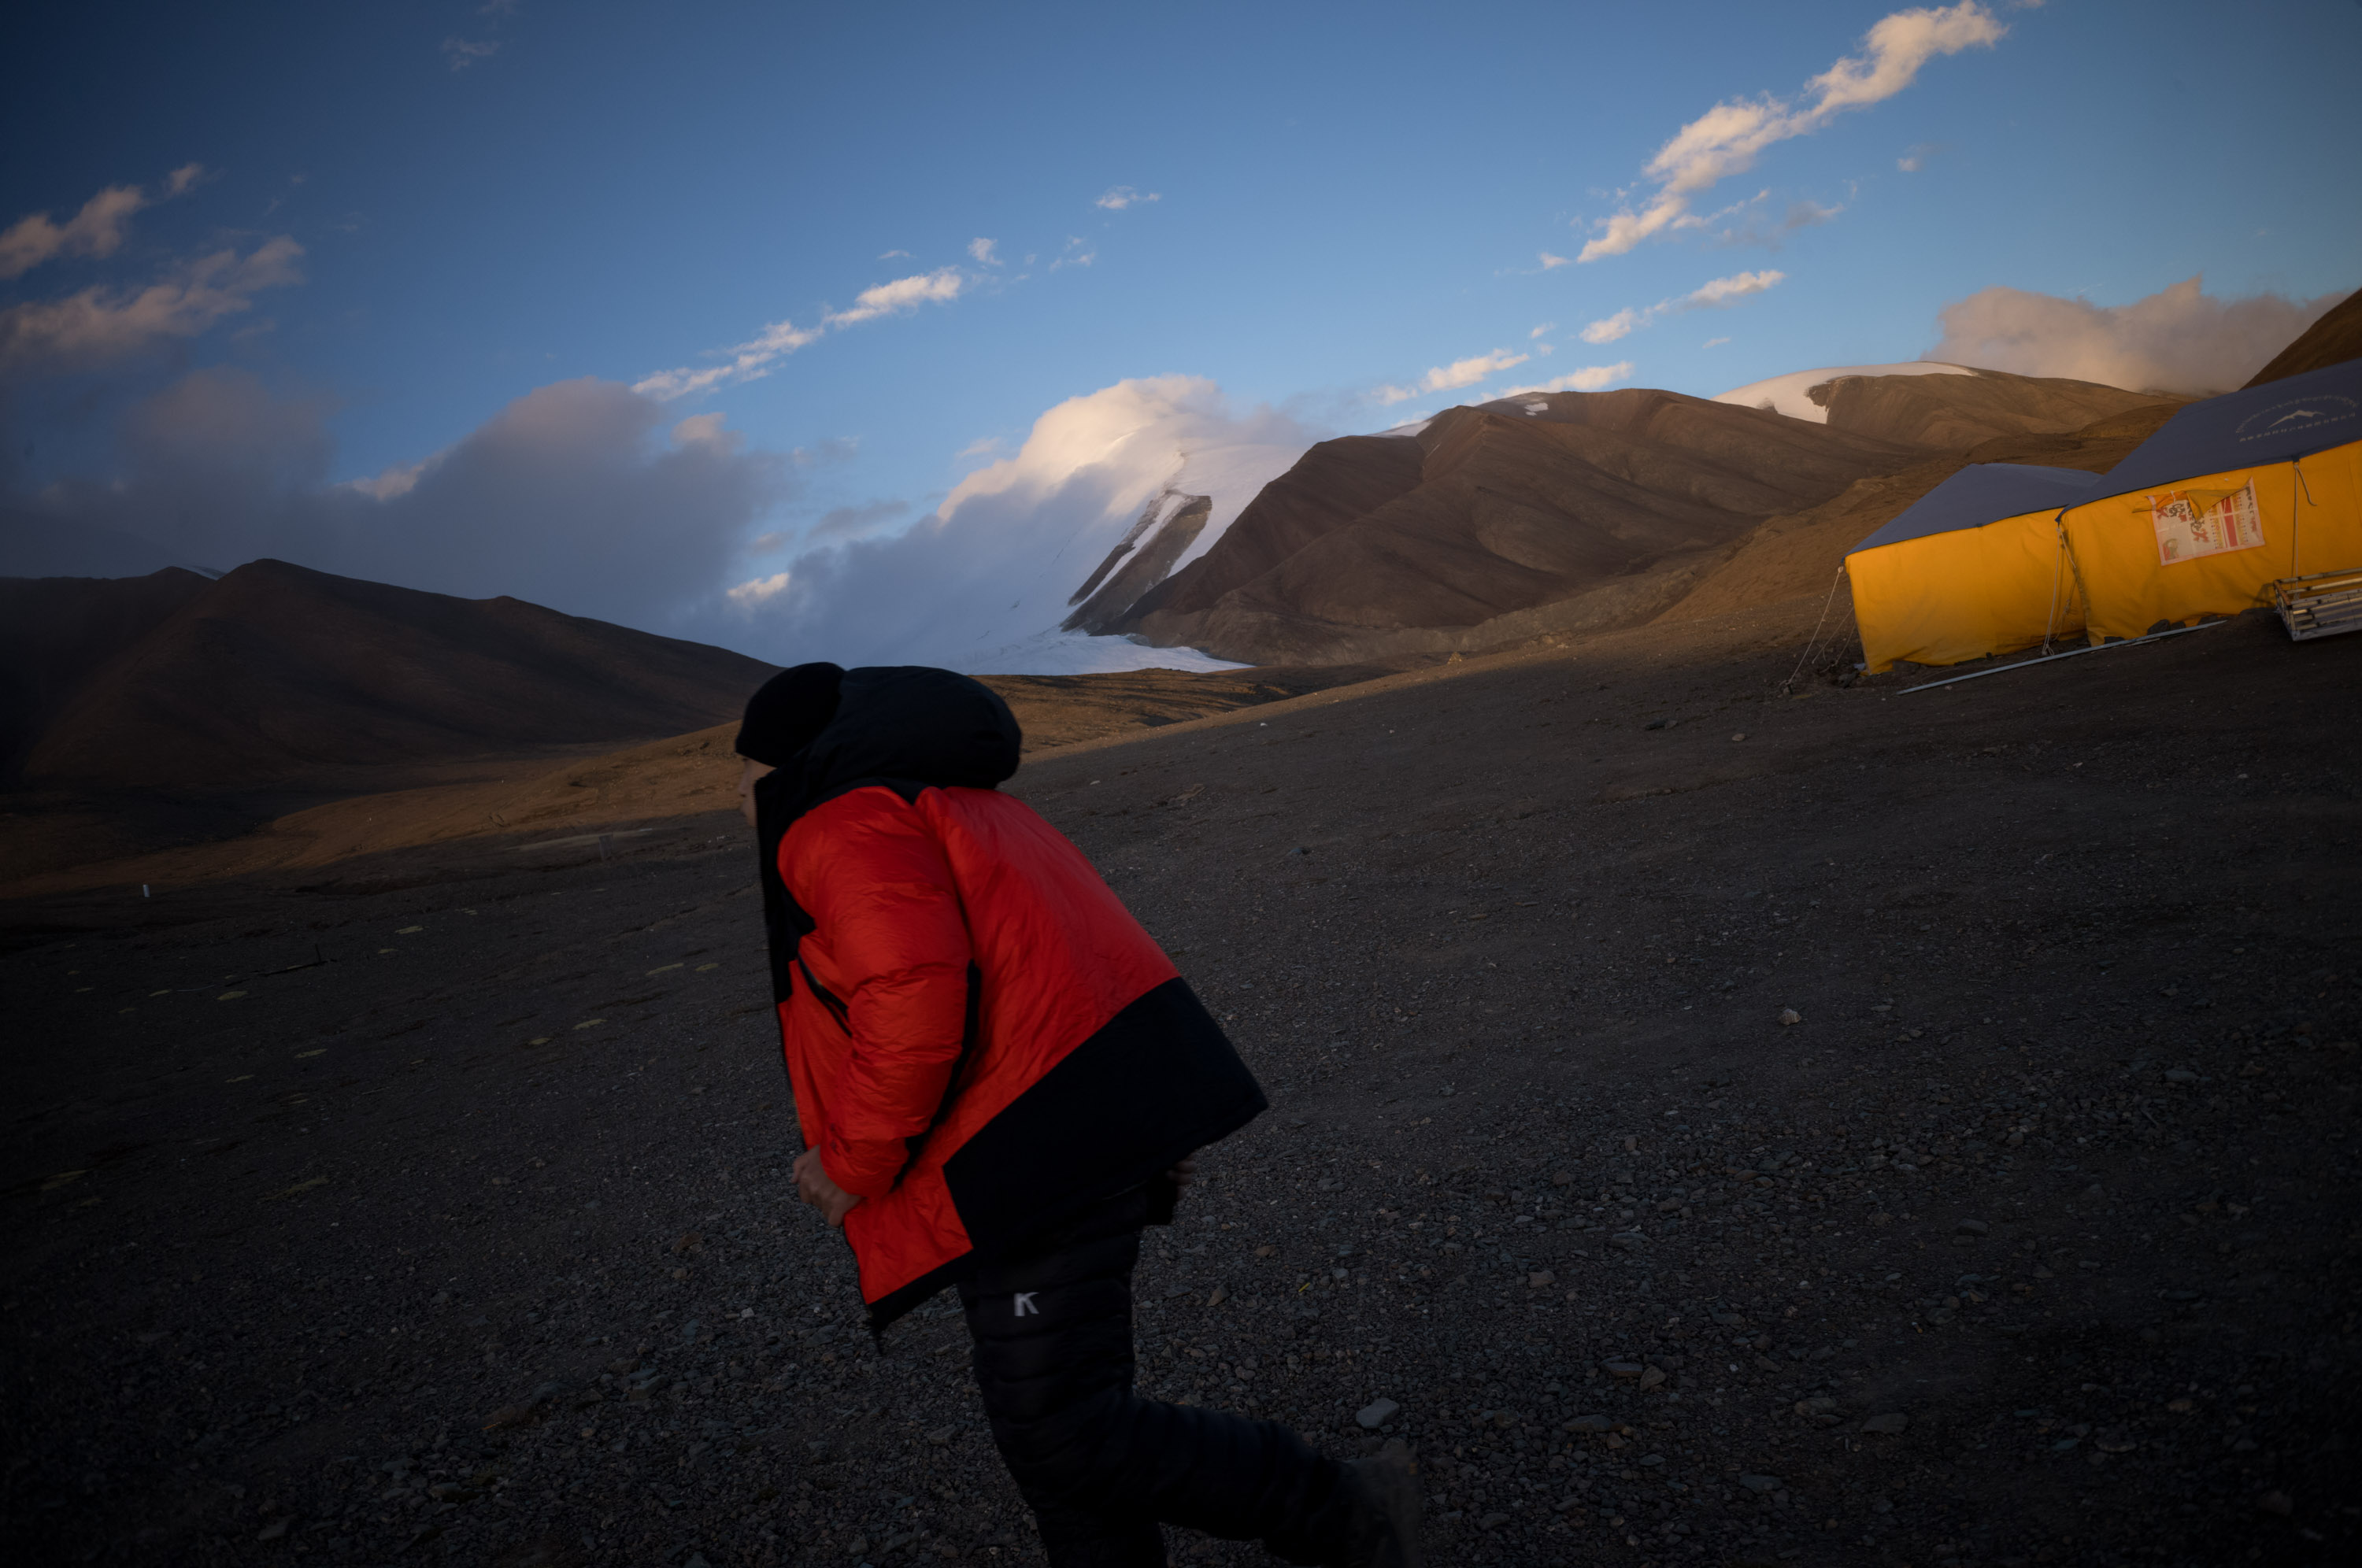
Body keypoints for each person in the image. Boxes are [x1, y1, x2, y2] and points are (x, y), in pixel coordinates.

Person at [733, 662, 1421, 1568]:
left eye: (739, 768)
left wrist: (850, 1162)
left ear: (782, 764)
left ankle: (1342, 1507)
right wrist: (1141, 1124)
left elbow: (912, 991)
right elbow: (1063, 958)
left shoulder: (843, 825)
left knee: (1063, 1429)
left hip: (1022, 1149)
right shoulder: (961, 806)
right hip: (1058, 1132)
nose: (730, 795)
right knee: (1051, 1432)